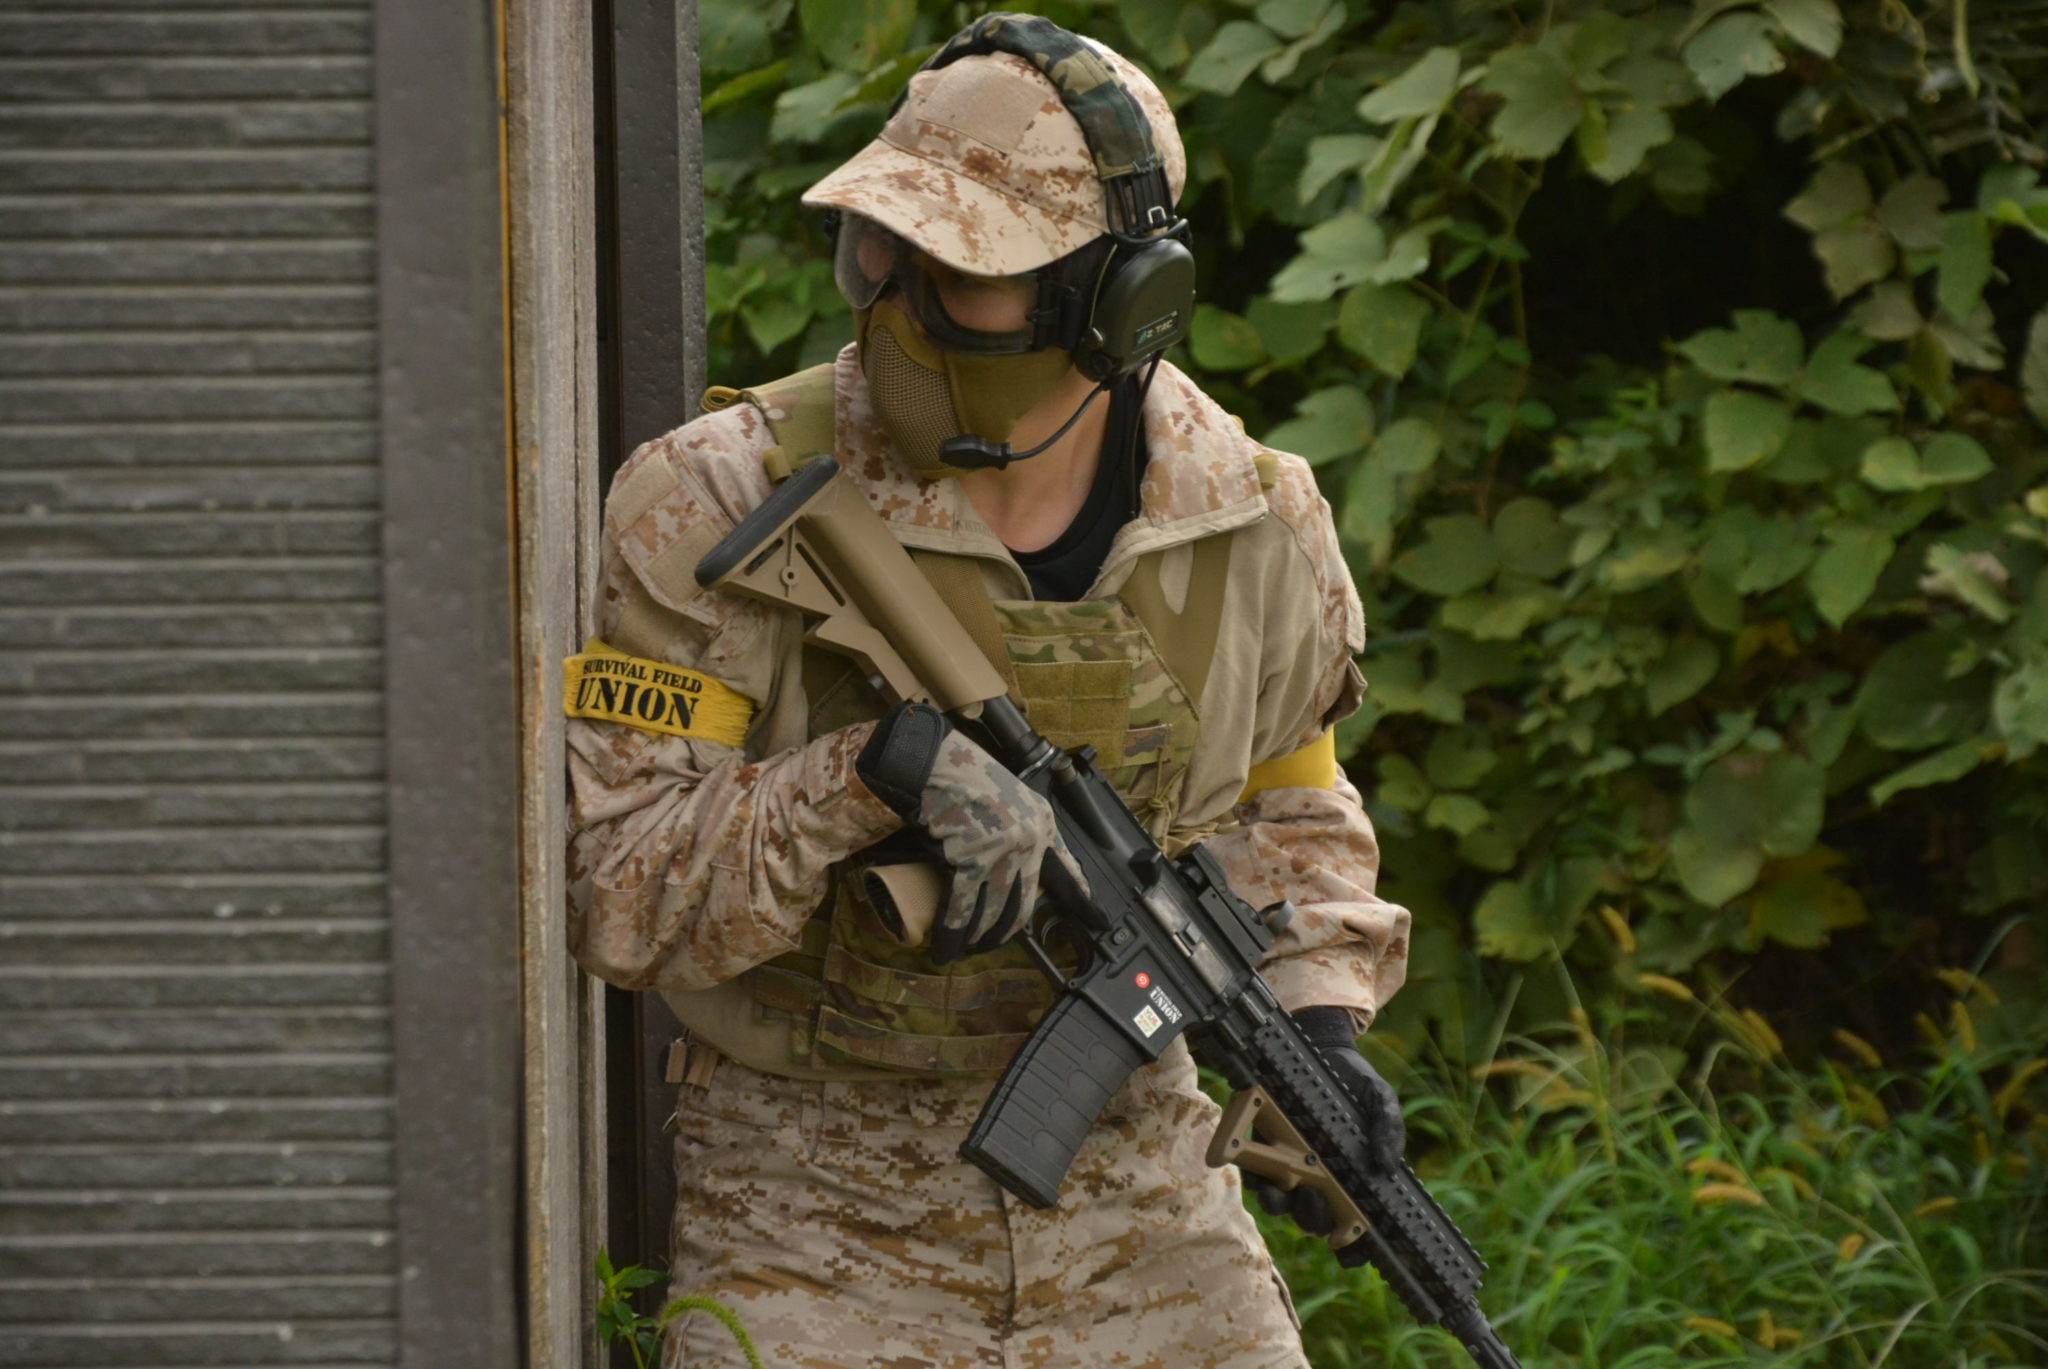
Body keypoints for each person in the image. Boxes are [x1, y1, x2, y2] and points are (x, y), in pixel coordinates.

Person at [565, 15, 1412, 1367]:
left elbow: (1290, 803)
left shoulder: (1250, 519)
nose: (895, 301)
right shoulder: (717, 495)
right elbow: (619, 893)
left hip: (1139, 1176)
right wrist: (867, 775)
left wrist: (1316, 1024)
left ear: (1117, 302)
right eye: (877, 249)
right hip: (809, 1188)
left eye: (961, 272)